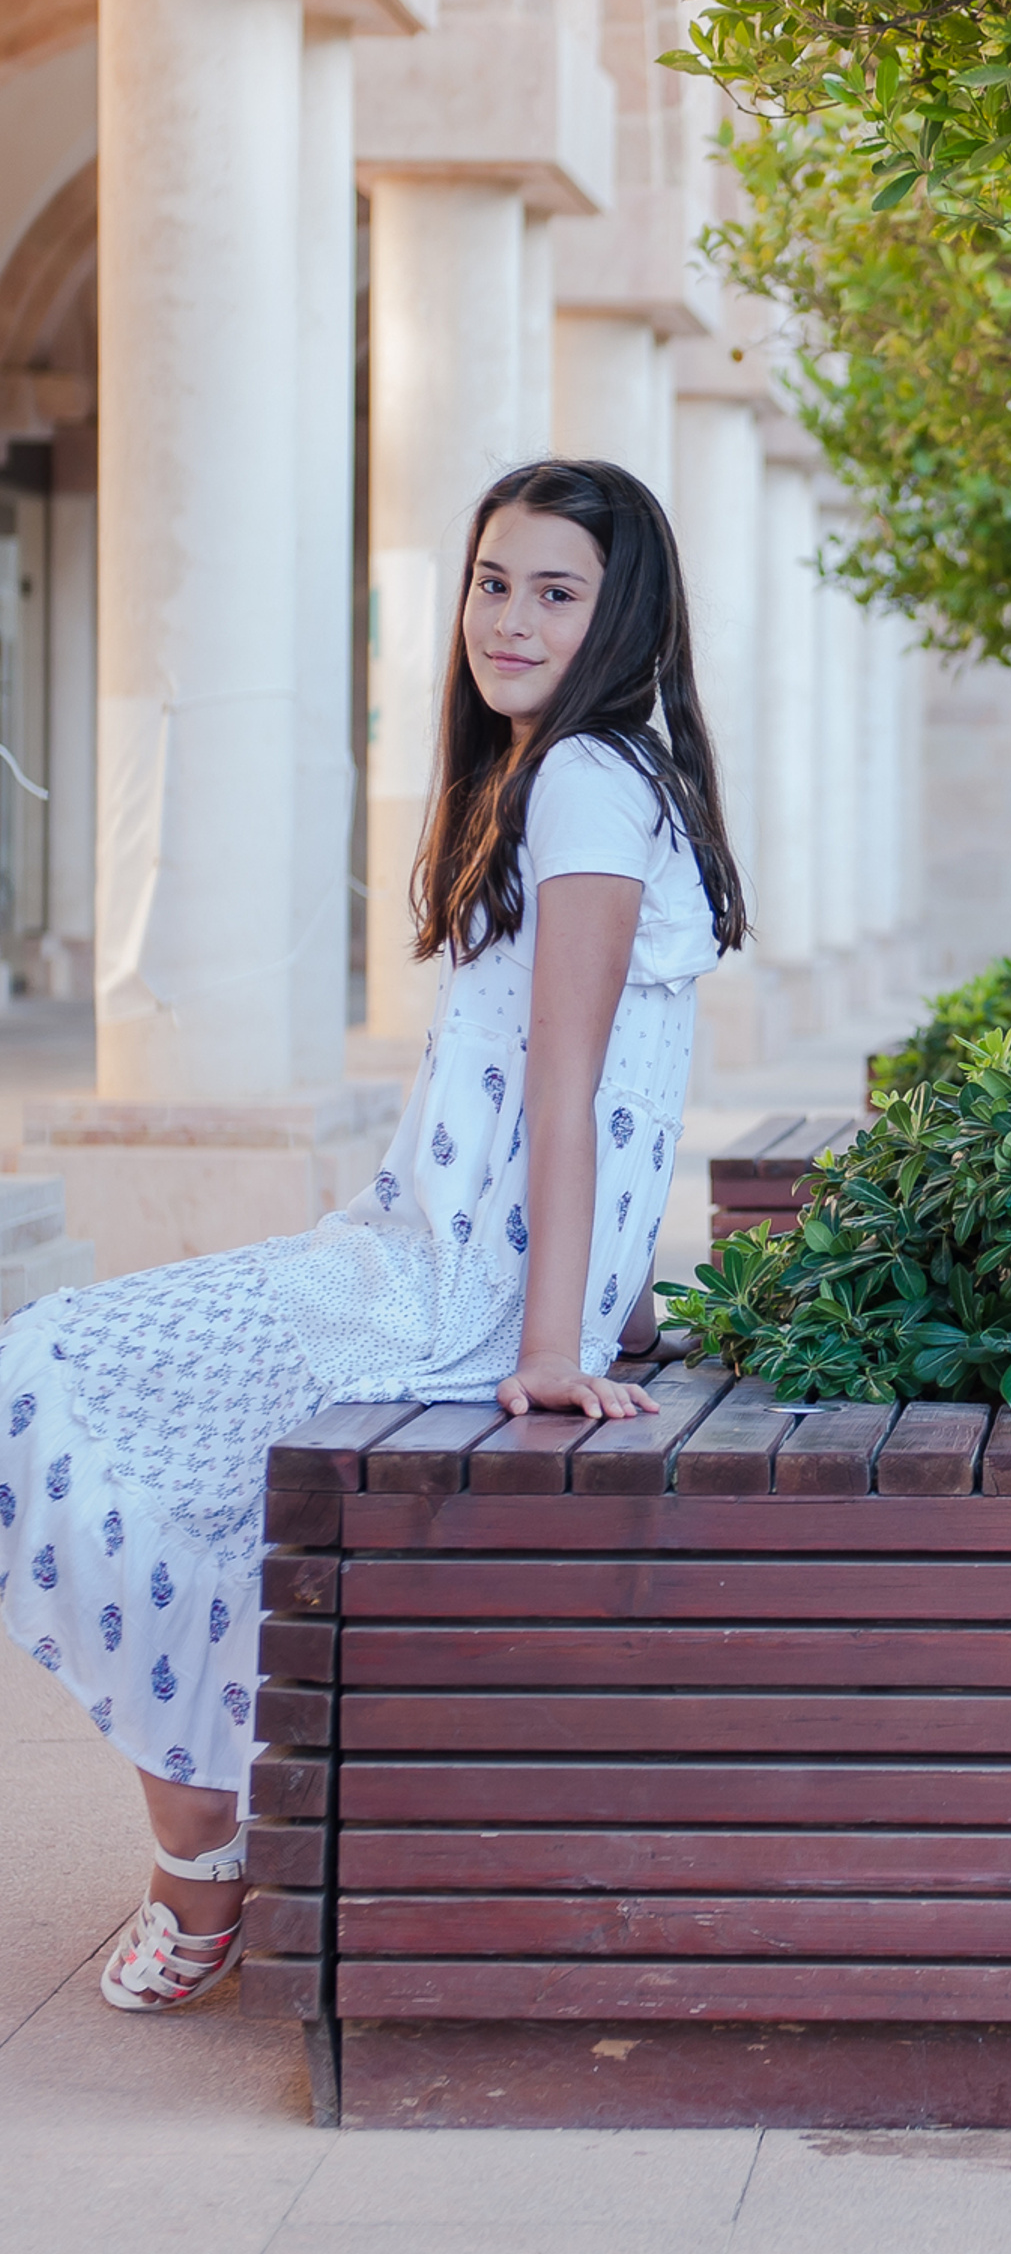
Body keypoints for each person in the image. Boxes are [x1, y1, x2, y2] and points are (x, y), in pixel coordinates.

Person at [0, 459, 746, 2013]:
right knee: (188, 1479)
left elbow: (571, 1068)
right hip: (433, 1266)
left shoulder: (586, 780)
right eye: (492, 582)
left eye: (557, 591)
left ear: (625, 617)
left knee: (40, 1370)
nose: (511, 619)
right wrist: (605, 1307)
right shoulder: (576, 772)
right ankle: (205, 1847)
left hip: (437, 1297)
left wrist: (552, 1345)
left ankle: (199, 1853)